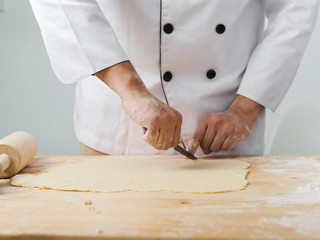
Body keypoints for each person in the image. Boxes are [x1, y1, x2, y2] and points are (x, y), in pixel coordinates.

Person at [29, 0, 319, 156]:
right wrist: (130, 88)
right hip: (117, 127)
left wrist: (244, 108)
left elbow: (296, 10)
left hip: (226, 130)